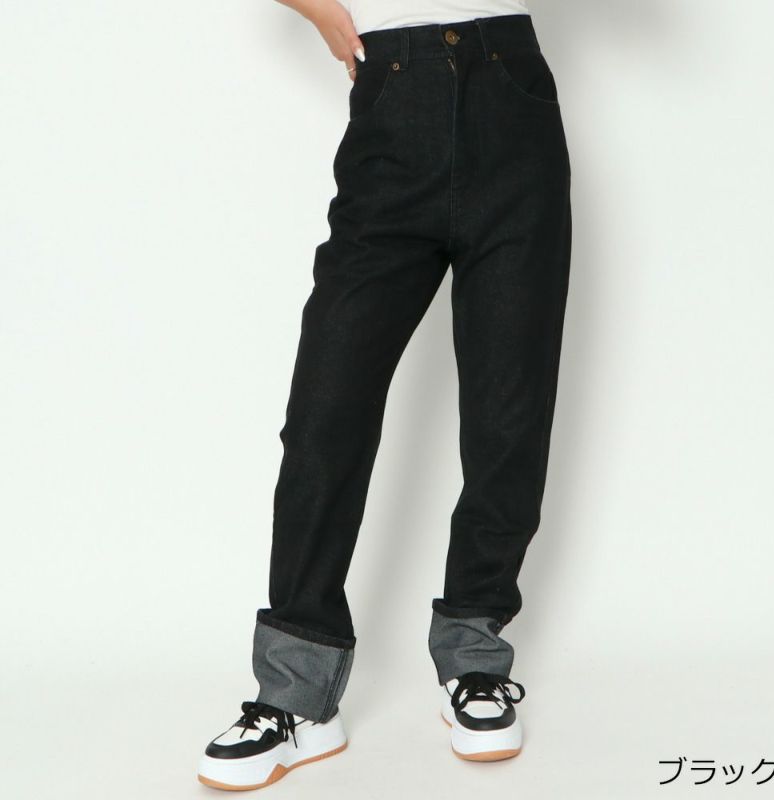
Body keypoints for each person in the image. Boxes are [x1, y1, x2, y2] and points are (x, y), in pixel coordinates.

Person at [198, 0, 571, 790]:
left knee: (509, 410)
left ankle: (475, 655)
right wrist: (315, 9)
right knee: (325, 413)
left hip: (512, 93)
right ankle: (297, 696)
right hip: (392, 101)